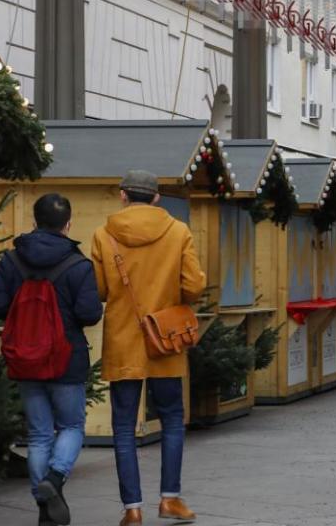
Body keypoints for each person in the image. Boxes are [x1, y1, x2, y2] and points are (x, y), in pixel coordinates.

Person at [91, 170, 206, 526]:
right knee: (172, 418)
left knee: (123, 426)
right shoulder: (178, 232)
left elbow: (99, 292)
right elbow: (194, 287)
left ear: (123, 195)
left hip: (124, 341)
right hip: (166, 341)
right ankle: (170, 499)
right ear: (156, 197)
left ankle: (132, 509)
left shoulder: (103, 235)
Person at [0, 193, 103, 526]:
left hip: (25, 357)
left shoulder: (11, 261)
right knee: (71, 425)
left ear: (34, 222)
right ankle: (54, 479)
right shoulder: (78, 264)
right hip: (67, 357)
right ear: (68, 224)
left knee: (38, 434)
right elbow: (89, 313)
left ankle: (44, 507)